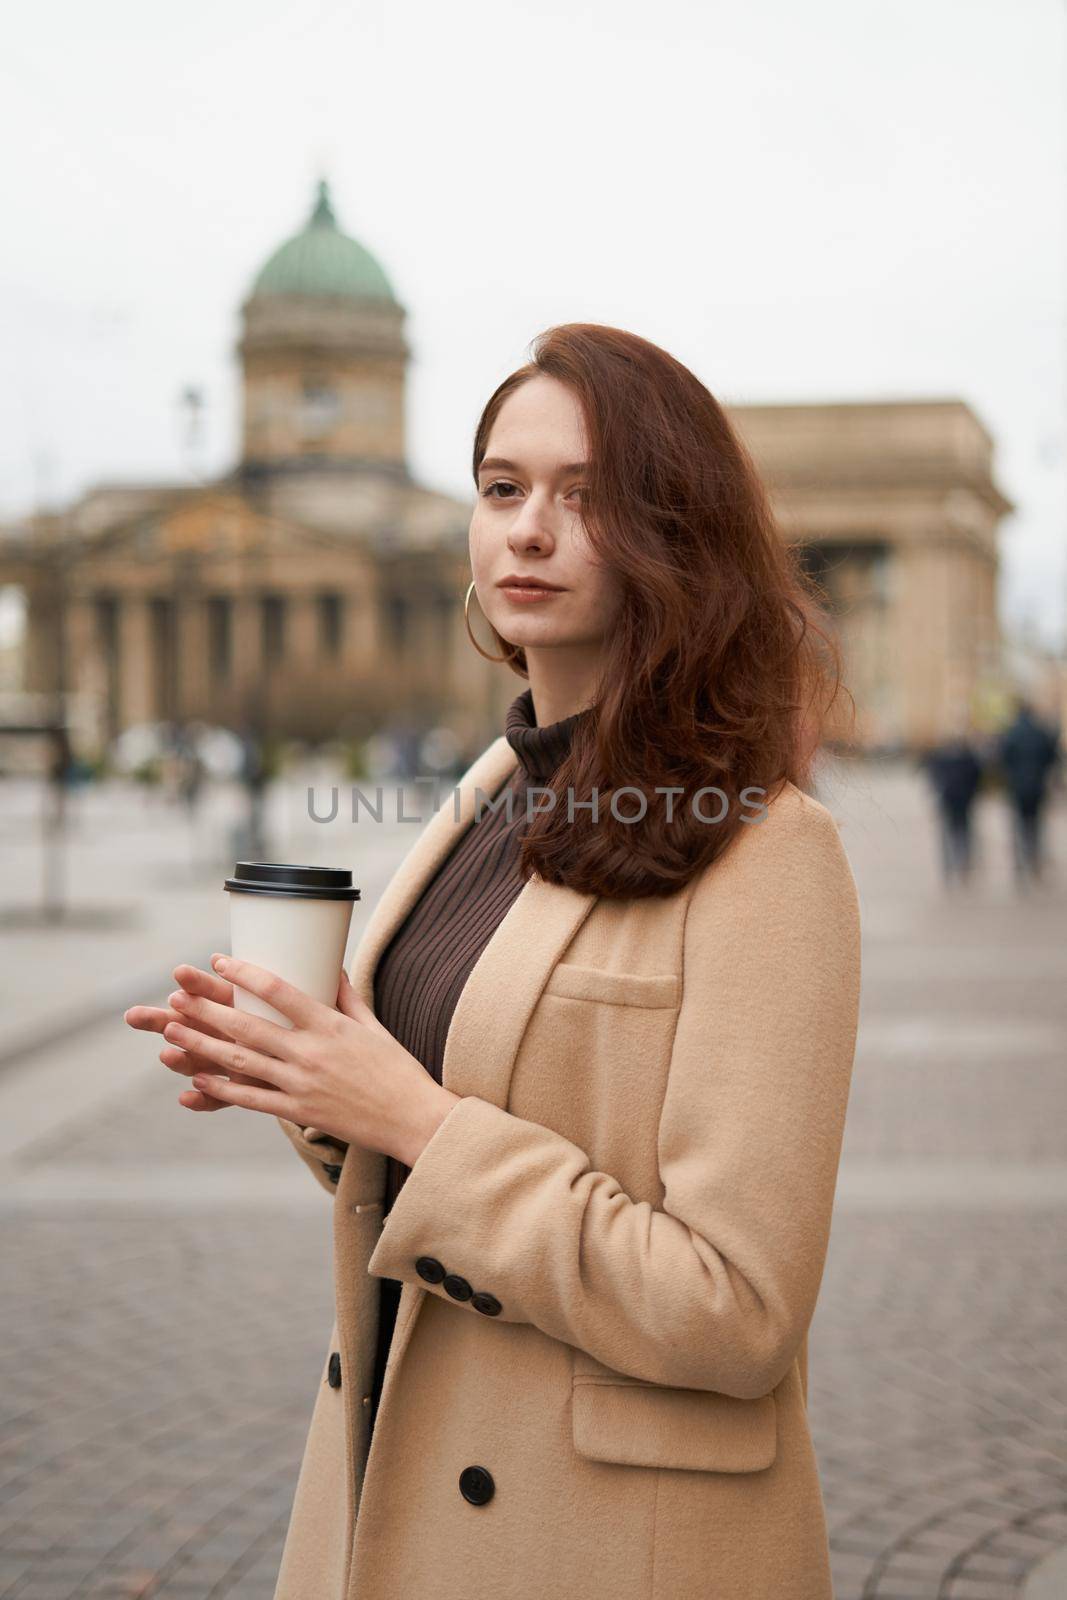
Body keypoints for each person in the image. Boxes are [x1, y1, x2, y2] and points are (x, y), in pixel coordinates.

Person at [123, 324, 862, 1600]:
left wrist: (403, 1108)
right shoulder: (489, 791)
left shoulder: (768, 849)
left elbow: (734, 1307)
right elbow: (442, 1143)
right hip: (398, 1478)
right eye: (502, 488)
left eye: (588, 499)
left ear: (676, 538)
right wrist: (312, 1071)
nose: (528, 529)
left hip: (600, 1537)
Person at [995, 696, 1061, 886]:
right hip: (1037, 786)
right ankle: (1034, 860)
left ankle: (1020, 863)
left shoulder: (1011, 733)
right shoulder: (1040, 732)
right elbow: (1052, 756)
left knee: (1018, 826)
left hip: (1017, 787)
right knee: (1036, 825)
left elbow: (1002, 759)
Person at [921, 719, 986, 886]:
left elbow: (934, 776)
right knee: (963, 833)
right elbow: (977, 776)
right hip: (963, 800)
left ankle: (950, 867)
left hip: (948, 799)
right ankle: (962, 865)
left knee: (949, 835)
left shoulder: (941, 755)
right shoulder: (968, 756)